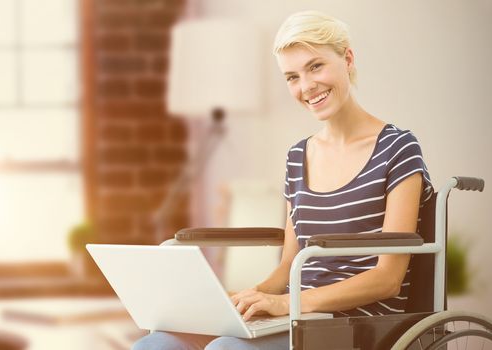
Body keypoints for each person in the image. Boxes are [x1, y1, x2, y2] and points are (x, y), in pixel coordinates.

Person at [132, 10, 433, 350]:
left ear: (347, 58)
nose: (306, 86)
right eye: (292, 77)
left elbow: (388, 279)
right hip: (295, 314)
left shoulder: (398, 147)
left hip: (355, 325)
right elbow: (289, 264)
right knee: (157, 344)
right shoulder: (296, 157)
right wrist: (251, 297)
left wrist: (289, 304)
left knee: (225, 349)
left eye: (315, 66)